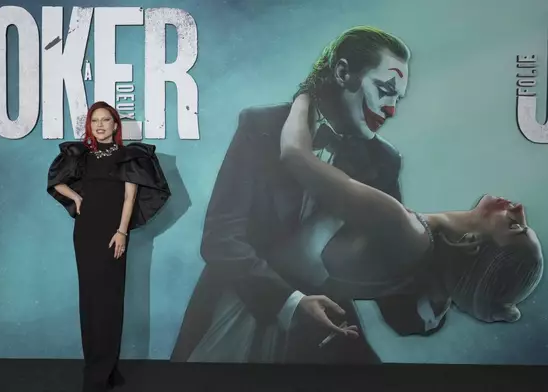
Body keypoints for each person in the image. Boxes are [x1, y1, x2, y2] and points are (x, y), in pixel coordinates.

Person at [171, 26, 412, 363]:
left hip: (325, 335)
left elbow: (389, 274)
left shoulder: (384, 163)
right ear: (343, 72)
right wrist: (292, 303)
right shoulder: (260, 126)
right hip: (235, 316)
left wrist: (451, 287)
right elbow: (221, 238)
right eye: (385, 90)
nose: (391, 110)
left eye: (397, 98)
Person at [277, 93, 544, 338]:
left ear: (471, 243)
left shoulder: (402, 229)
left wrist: (306, 96)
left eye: (513, 226)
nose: (520, 209)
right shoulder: (419, 271)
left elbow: (293, 155)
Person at [47, 101, 170, 392]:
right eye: (95, 121)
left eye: (106, 120)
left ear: (116, 125)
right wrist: (76, 199)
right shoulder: (82, 156)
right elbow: (56, 182)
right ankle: (98, 370)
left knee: (110, 302)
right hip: (85, 233)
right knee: (89, 302)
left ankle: (104, 370)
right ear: (90, 126)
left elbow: (130, 199)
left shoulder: (129, 157)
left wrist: (122, 232)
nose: (100, 125)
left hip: (112, 234)